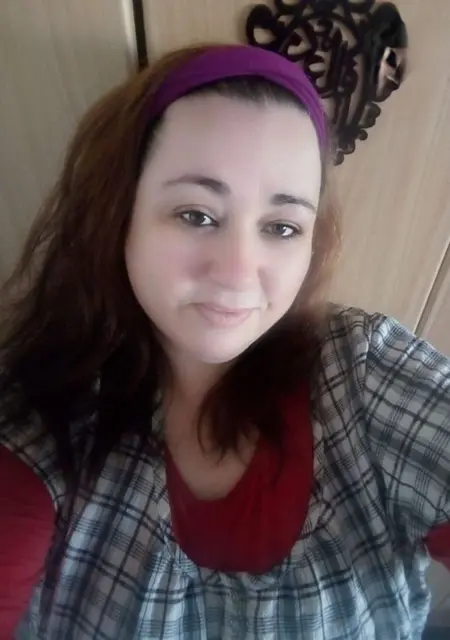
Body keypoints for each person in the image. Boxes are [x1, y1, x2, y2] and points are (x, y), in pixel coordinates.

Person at [0, 43, 448, 640]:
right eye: (197, 214)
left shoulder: (365, 372)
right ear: (119, 213)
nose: (238, 273)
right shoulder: (44, 423)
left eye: (282, 227)